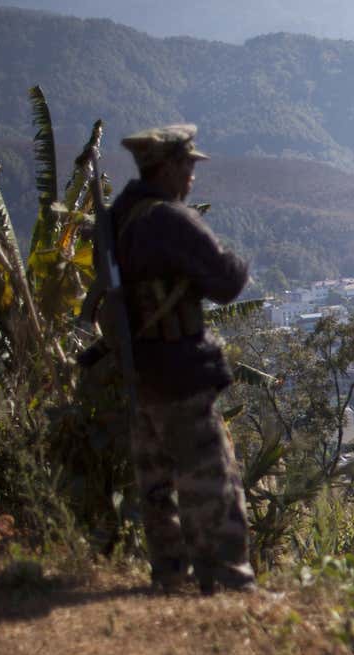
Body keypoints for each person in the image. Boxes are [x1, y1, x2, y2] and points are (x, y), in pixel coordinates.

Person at [111, 124, 256, 595]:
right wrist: (237, 258)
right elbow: (226, 280)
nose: (192, 176)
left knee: (156, 486)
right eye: (188, 166)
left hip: (138, 372)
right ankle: (229, 582)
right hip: (178, 371)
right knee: (209, 480)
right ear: (168, 166)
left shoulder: (119, 218)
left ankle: (170, 577)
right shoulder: (169, 220)